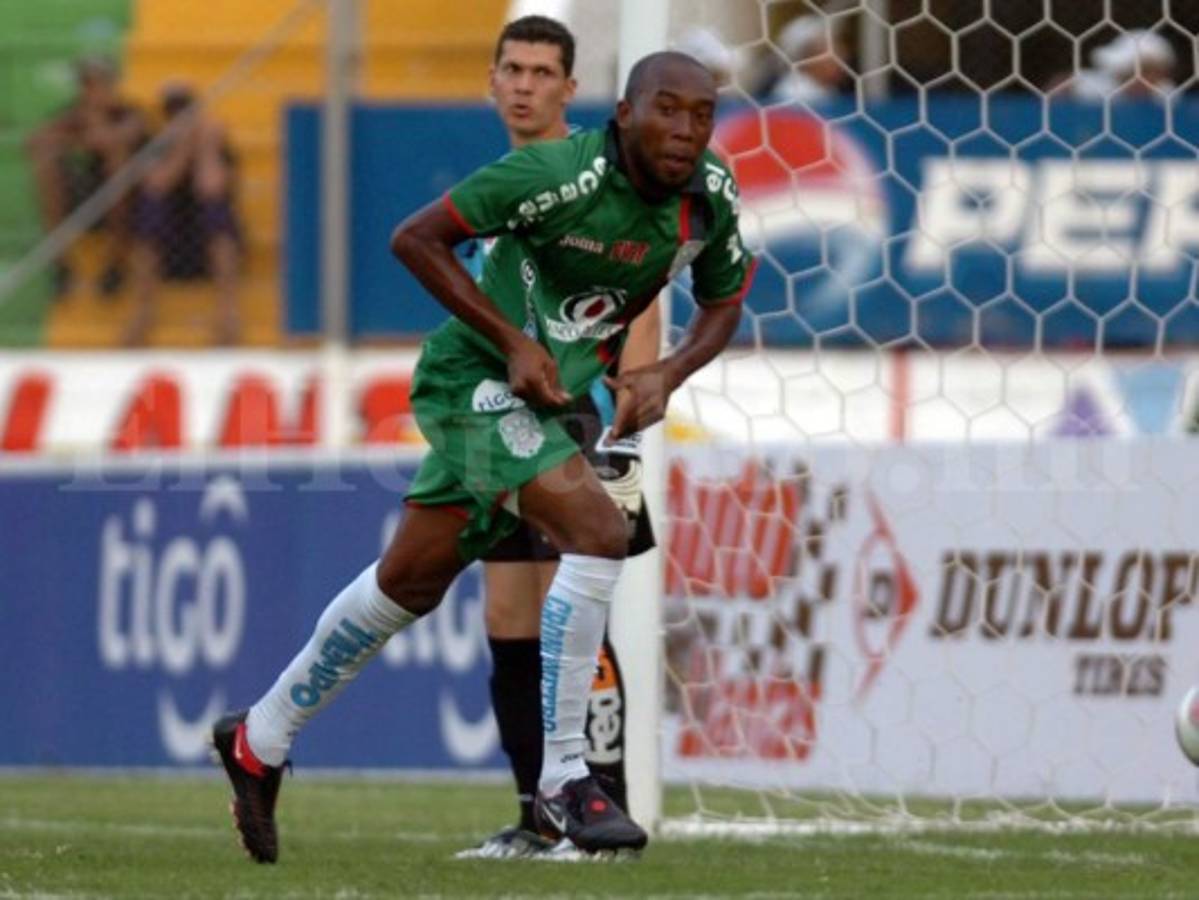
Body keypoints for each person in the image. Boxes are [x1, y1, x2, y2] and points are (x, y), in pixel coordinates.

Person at [212, 49, 754, 863]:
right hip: (471, 381)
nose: (684, 131)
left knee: (409, 583)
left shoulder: (708, 196)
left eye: (699, 115)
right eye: (666, 110)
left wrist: (667, 372)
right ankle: (565, 778)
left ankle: (260, 737)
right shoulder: (553, 176)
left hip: (548, 399)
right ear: (624, 116)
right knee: (596, 533)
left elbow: (723, 301)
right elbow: (414, 239)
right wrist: (509, 342)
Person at [455, 15, 660, 860]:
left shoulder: (592, 172)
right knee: (506, 612)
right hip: (500, 413)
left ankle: (597, 799)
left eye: (543, 71)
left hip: (580, 406)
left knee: (577, 601)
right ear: (492, 80)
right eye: (513, 68)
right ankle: (536, 813)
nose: (525, 84)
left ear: (570, 90)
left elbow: (642, 280)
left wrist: (634, 387)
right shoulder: (494, 181)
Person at [124, 81, 242, 346]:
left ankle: (227, 312)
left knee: (217, 214)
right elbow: (157, 183)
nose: (179, 119)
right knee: (150, 212)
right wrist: (182, 148)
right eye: (173, 113)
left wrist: (205, 149)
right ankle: (143, 310)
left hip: (205, 238)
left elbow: (211, 187)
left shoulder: (216, 144)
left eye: (184, 112)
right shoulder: (152, 144)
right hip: (168, 240)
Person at [25, 57, 146, 298]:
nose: (90, 91)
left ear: (111, 86)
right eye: (86, 84)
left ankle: (116, 261)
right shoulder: (72, 113)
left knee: (117, 164)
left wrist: (90, 120)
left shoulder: (130, 113)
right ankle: (61, 263)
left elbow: (112, 139)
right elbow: (35, 141)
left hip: (128, 199)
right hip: (85, 194)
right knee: (45, 162)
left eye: (97, 84)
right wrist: (72, 131)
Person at [1064, 30, 1177, 102]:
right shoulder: (1102, 89)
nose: (1141, 80)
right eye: (1130, 73)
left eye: (1151, 72)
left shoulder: (1165, 96)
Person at [767, 15, 850, 105]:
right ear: (806, 57)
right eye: (828, 50)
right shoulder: (793, 94)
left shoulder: (830, 90)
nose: (842, 55)